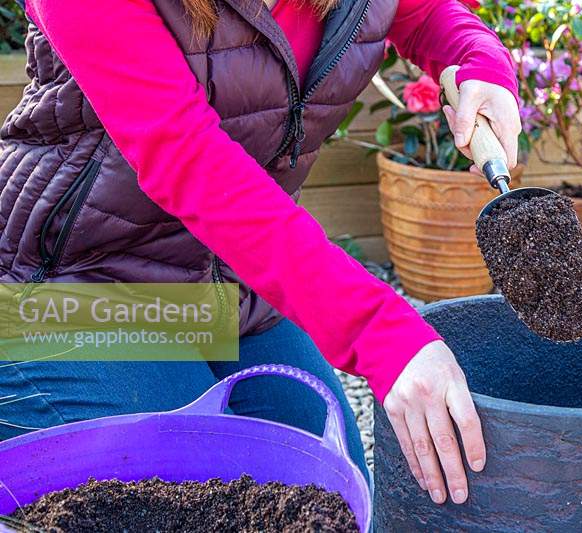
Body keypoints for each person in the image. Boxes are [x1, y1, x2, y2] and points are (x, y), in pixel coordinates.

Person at [0, 0, 521, 505]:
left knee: (331, 494)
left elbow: (424, 13)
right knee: (183, 497)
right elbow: (187, 161)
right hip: (71, 289)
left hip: (234, 289)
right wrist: (383, 334)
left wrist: (480, 61)